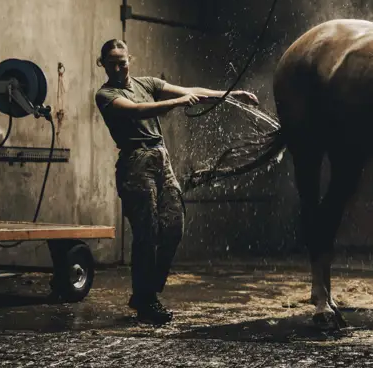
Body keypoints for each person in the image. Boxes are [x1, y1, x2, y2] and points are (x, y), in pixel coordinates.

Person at [94, 38, 259, 324]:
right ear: (103, 65)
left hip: (161, 158)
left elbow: (192, 91)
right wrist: (177, 103)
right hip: (136, 163)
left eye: (123, 61)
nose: (119, 67)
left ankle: (146, 291)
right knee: (147, 233)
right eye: (112, 63)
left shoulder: (146, 84)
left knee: (173, 225)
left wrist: (232, 95)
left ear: (129, 59)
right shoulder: (105, 94)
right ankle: (146, 301)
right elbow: (136, 111)